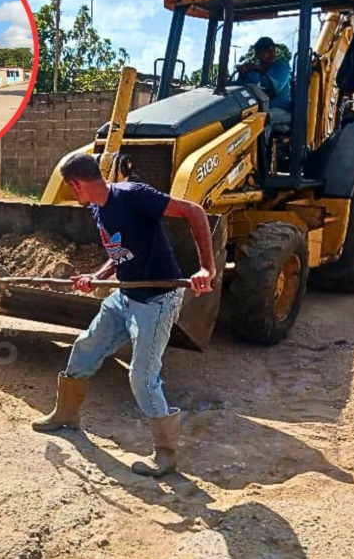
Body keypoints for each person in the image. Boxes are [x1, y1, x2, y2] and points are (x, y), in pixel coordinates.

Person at [31, 153, 217, 477]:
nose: (73, 193)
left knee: (142, 377)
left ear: (76, 184)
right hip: (125, 294)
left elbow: (193, 211)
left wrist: (206, 268)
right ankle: (66, 415)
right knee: (86, 346)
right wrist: (98, 276)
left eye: (70, 187)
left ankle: (166, 454)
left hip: (157, 300)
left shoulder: (133, 195)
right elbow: (119, 253)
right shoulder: (97, 208)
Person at [237, 36, 292, 126]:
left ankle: (263, 140)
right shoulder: (253, 71)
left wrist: (260, 70)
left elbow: (275, 89)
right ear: (257, 54)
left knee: (263, 118)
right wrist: (242, 74)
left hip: (281, 109)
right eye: (268, 51)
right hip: (257, 107)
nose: (272, 54)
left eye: (273, 51)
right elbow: (242, 88)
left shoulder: (282, 67)